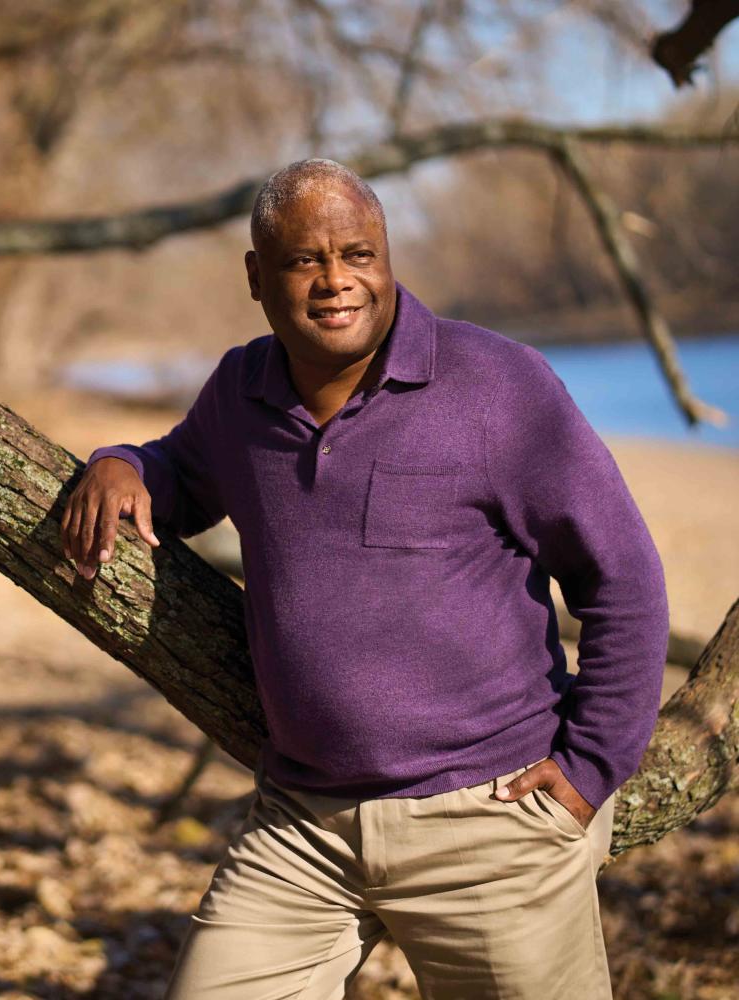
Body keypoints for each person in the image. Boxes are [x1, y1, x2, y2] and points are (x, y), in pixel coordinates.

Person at [60, 159, 670, 999]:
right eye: (304, 261)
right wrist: (121, 463)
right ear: (255, 277)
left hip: (490, 824)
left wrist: (591, 767)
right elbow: (180, 472)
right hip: (304, 829)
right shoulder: (242, 391)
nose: (336, 281)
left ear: (388, 260)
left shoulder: (497, 385)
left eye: (358, 254)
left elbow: (623, 576)